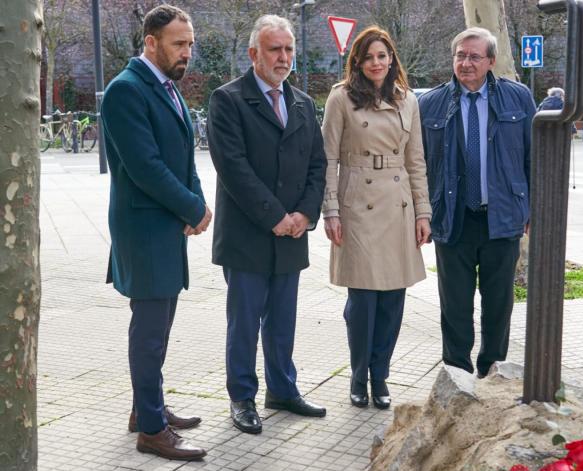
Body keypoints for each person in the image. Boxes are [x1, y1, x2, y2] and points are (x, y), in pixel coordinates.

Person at [207, 14, 327, 435]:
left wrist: (304, 215)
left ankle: (282, 389)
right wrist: (275, 216)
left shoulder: (303, 103)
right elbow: (233, 168)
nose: (284, 57)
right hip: (248, 235)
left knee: (283, 320)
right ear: (254, 53)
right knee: (245, 321)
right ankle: (242, 397)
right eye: (275, 49)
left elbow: (317, 164)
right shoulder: (228, 100)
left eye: (289, 49)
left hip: (292, 234)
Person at [102, 4, 211, 460]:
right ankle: (151, 429)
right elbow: (145, 167)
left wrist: (198, 198)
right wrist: (192, 206)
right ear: (151, 42)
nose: (187, 52)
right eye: (178, 44)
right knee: (149, 331)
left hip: (165, 225)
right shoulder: (126, 91)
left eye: (189, 44)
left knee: (160, 327)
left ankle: (145, 408)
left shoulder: (166, 87)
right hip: (145, 229)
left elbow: (184, 157)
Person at [321, 27, 432, 409]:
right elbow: (329, 159)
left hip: (398, 203)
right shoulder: (341, 98)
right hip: (358, 204)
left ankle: (380, 375)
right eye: (368, 57)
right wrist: (331, 210)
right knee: (363, 300)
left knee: (392, 300)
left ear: (392, 59)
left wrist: (423, 213)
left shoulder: (408, 100)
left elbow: (416, 160)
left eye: (382, 56)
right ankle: (358, 375)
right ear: (357, 61)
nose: (376, 63)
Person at [418, 28, 536, 379]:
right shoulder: (430, 103)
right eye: (460, 55)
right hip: (453, 218)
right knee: (454, 304)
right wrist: (422, 213)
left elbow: (535, 159)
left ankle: (492, 371)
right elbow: (419, 165)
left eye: (474, 56)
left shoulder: (518, 99)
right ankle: (456, 373)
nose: (465, 63)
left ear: (490, 61)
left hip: (502, 217)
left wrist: (534, 209)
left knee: (498, 304)